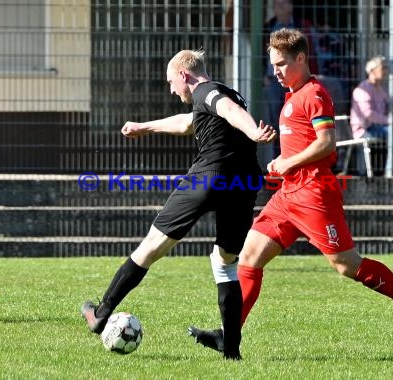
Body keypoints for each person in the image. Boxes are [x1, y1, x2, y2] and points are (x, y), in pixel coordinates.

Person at [188, 28, 393, 355]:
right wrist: (284, 161)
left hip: (315, 194)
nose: (275, 71)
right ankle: (228, 334)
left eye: (281, 64)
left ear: (301, 58)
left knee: (346, 265)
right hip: (288, 195)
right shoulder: (293, 94)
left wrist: (288, 163)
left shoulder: (315, 93)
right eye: (273, 65)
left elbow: (326, 143)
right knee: (248, 257)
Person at [80, 49, 276, 360]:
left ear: (184, 75)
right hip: (244, 183)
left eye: (172, 82)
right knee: (225, 263)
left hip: (209, 177)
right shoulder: (224, 92)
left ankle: (100, 315)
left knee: (150, 247)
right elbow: (190, 123)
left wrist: (253, 130)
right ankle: (232, 352)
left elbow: (226, 110)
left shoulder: (208, 91)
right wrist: (144, 127)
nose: (172, 89)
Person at [260, 0, 319, 169]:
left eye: (284, 3)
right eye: (276, 4)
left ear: (292, 5)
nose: (280, 6)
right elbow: (259, 53)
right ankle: (280, 155)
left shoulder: (302, 25)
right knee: (279, 121)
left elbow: (311, 53)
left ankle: (293, 159)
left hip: (307, 178)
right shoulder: (267, 27)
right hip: (272, 84)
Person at [350, 55, 393, 176]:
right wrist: (391, 120)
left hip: (378, 127)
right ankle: (391, 171)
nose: (386, 71)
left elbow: (389, 104)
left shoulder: (379, 88)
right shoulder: (362, 89)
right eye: (383, 67)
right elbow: (369, 114)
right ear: (372, 70)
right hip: (365, 129)